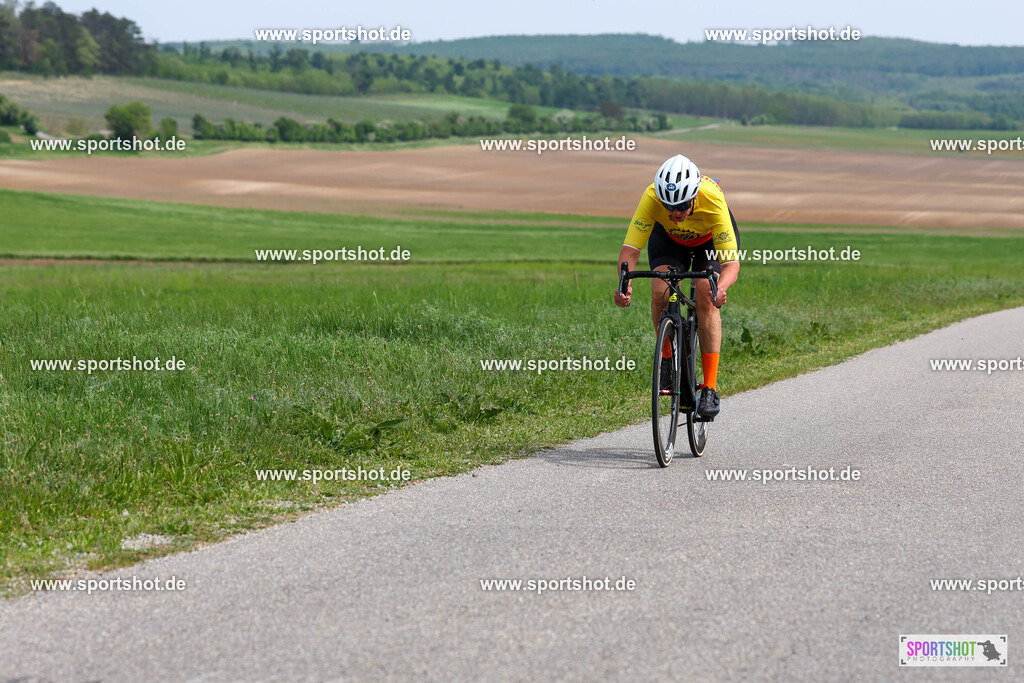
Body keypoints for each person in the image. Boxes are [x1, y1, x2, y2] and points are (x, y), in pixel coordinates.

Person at [613, 154, 740, 417]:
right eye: (669, 206)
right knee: (660, 291)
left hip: (708, 243)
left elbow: (730, 265)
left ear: (694, 196)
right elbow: (630, 251)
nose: (675, 213)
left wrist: (721, 288)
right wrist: (623, 285)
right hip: (669, 241)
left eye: (682, 206)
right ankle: (668, 362)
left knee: (706, 292)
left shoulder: (713, 200)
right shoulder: (651, 198)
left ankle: (710, 387)